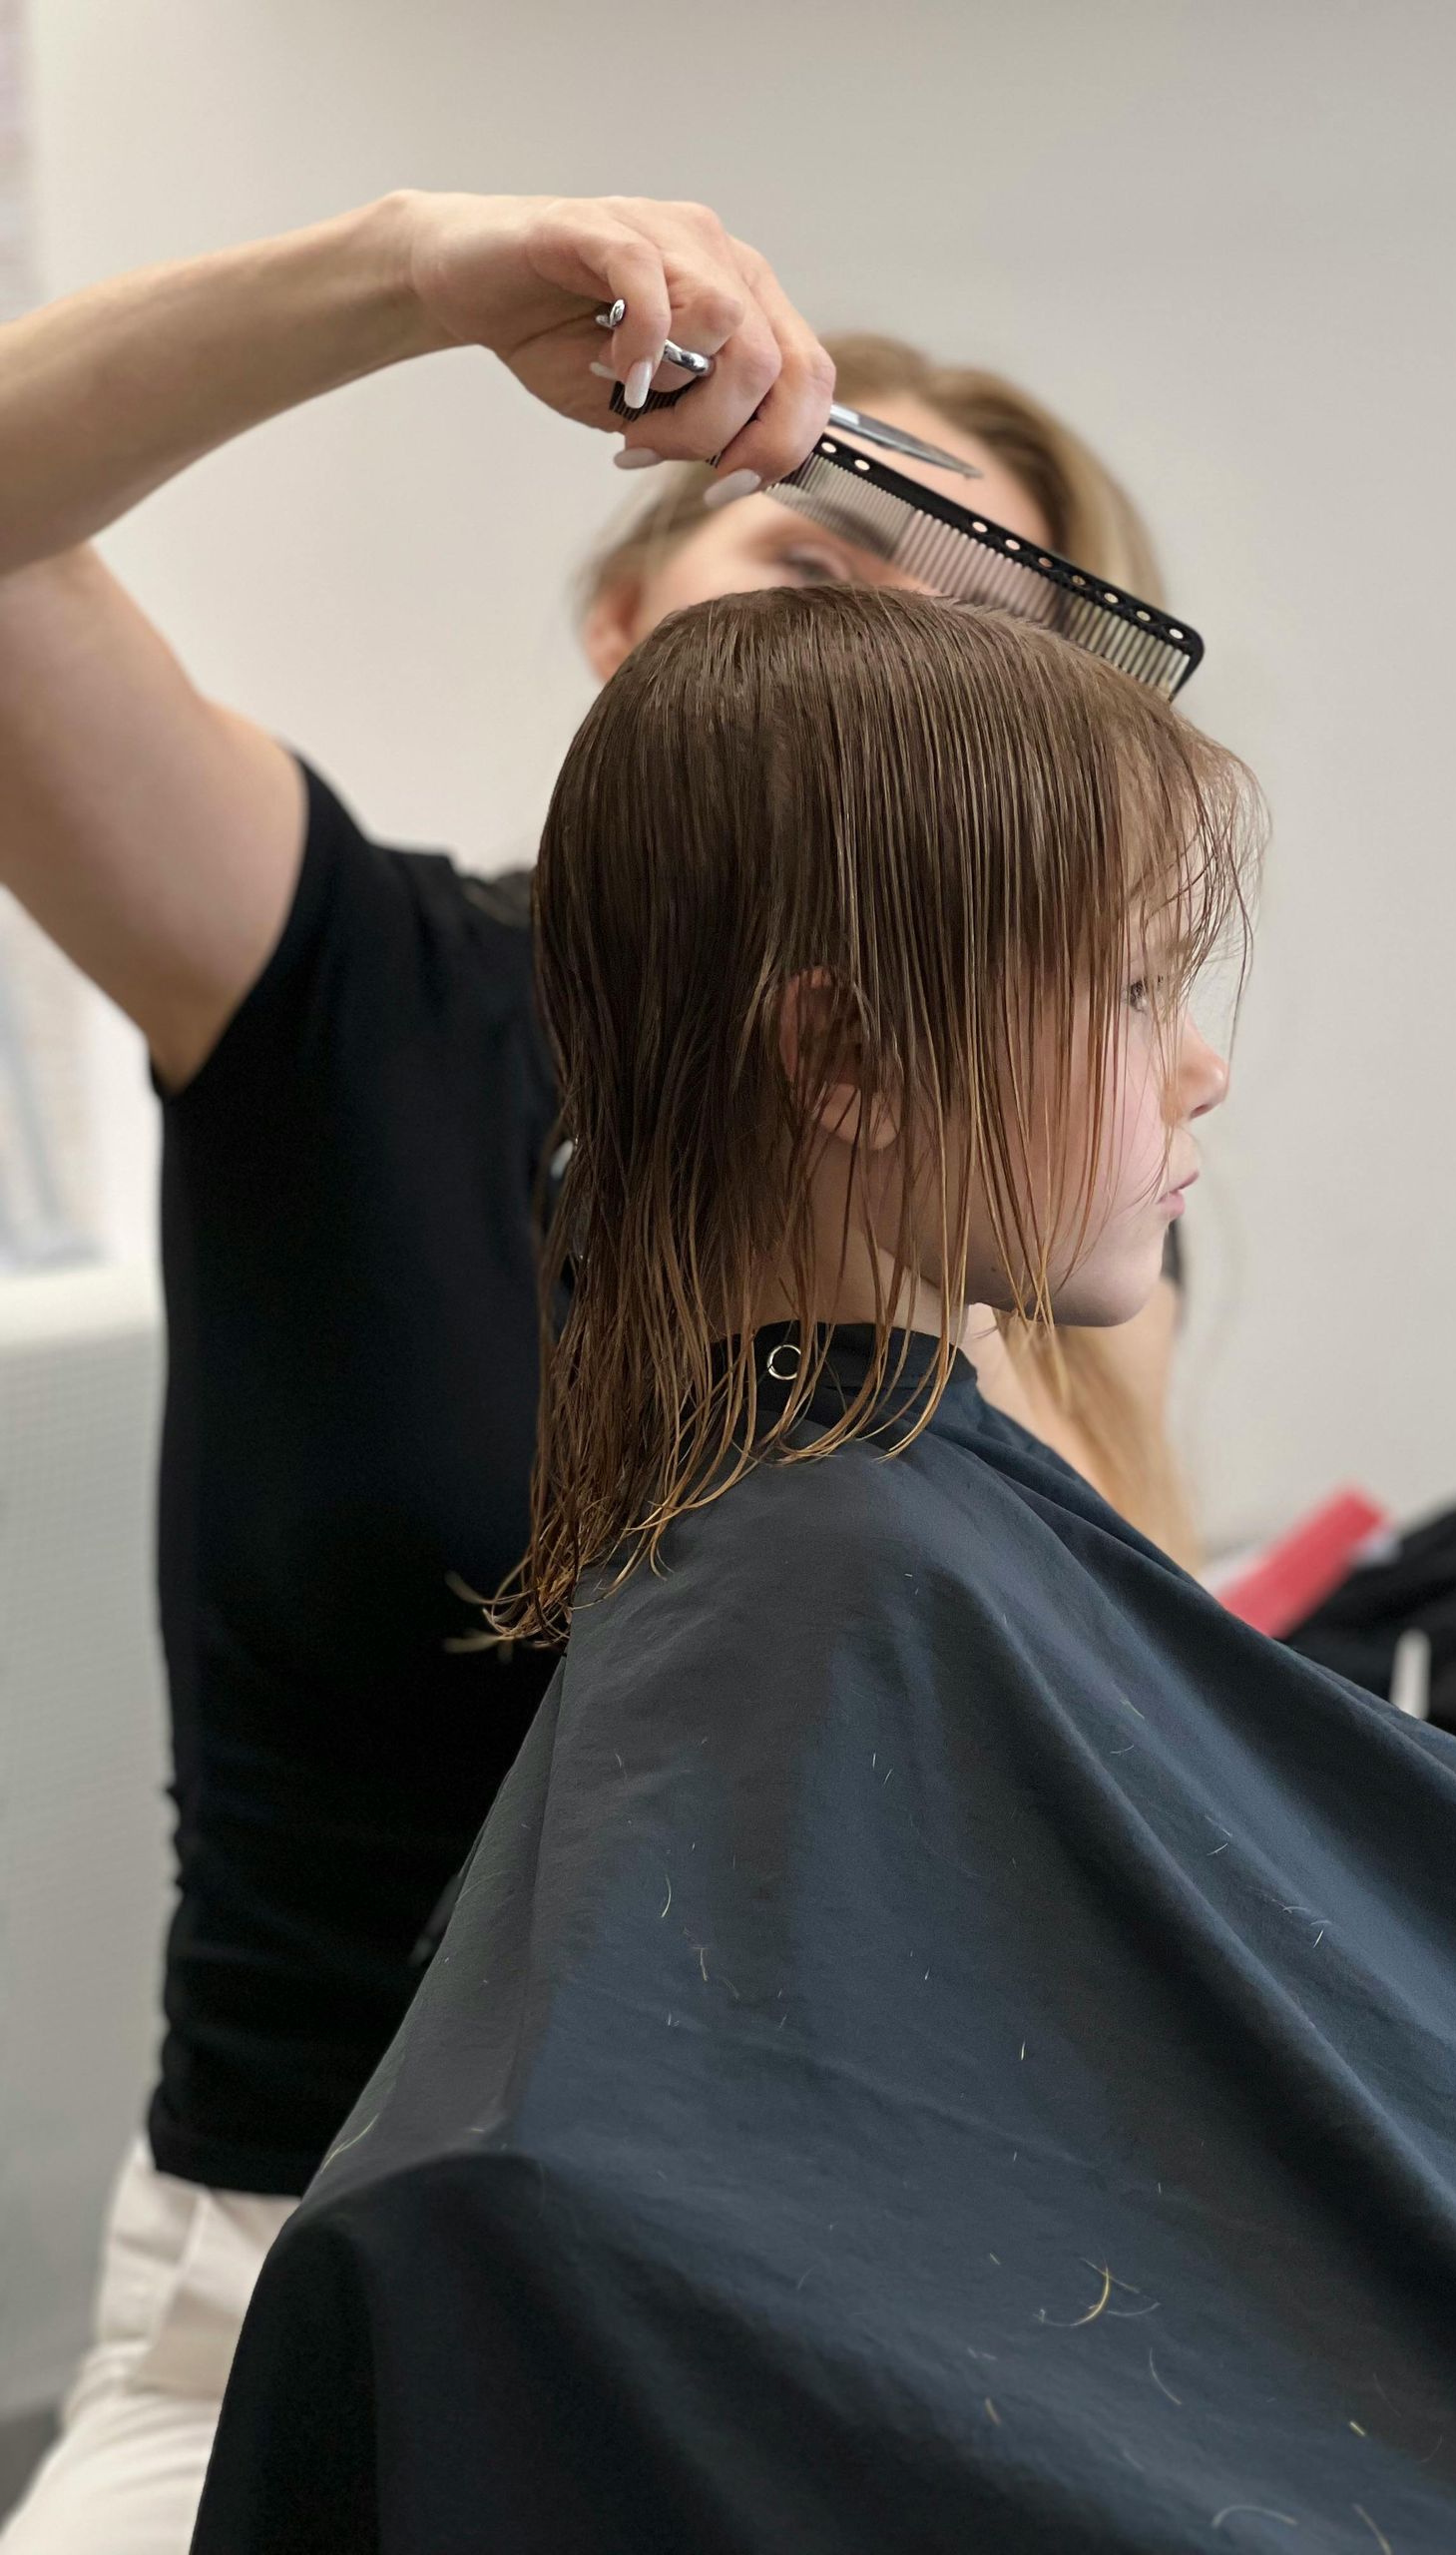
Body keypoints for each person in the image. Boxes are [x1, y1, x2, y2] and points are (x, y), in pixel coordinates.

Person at [196, 588, 1456, 2555]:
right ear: (843, 1054)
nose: (1202, 1067)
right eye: (1130, 994)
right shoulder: (839, 1563)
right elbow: (549, 2206)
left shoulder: (876, 1516)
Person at [0, 192, 1189, 2553]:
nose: (878, 629)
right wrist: (410, 272)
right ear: (629, 616)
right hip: (298, 2290)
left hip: (821, 2314)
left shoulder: (1036, 1193)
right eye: (815, 541)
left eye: (965, 616)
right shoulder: (348, 990)